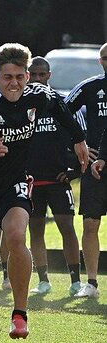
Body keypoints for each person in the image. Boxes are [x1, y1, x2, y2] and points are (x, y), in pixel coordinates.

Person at [0, 43, 88, 339]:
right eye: (8, 77)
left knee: (15, 236)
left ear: (27, 77)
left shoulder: (37, 95)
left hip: (15, 184)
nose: (15, 83)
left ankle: (20, 315)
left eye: (20, 77)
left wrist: (78, 140)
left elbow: (61, 108)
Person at [25, 56, 84, 296]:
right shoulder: (21, 104)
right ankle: (43, 280)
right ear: (28, 75)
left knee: (66, 228)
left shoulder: (61, 103)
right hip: (31, 181)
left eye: (42, 75)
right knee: (35, 229)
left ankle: (75, 281)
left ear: (49, 76)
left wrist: (73, 171)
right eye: (34, 75)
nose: (38, 79)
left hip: (58, 180)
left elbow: (79, 137)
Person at [64, 43, 107, 298]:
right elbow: (61, 113)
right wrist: (78, 143)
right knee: (90, 223)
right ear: (100, 61)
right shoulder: (90, 87)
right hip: (95, 167)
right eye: (106, 58)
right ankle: (91, 283)